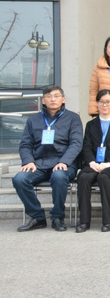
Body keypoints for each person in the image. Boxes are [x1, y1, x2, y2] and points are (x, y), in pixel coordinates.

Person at [13, 85, 83, 232]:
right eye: (49, 96)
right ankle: (37, 217)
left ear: (63, 99)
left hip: (64, 163)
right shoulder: (33, 120)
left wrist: (64, 161)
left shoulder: (73, 118)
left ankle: (57, 217)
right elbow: (25, 144)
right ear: (43, 100)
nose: (53, 99)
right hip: (39, 163)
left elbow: (76, 143)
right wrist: (28, 161)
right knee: (20, 179)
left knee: (59, 176)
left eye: (56, 96)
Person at [76, 89, 110, 233]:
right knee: (83, 177)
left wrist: (109, 163)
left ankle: (107, 221)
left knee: (104, 177)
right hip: (94, 163)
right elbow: (87, 146)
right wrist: (91, 162)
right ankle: (84, 221)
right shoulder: (91, 124)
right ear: (97, 103)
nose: (105, 105)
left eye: (108, 102)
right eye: (102, 102)